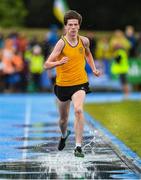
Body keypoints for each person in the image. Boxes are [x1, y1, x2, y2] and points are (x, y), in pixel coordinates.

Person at [44, 10, 101, 157]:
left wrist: (94, 69)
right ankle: (64, 135)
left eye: (76, 24)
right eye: (70, 25)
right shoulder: (61, 43)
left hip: (80, 83)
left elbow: (88, 53)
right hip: (62, 86)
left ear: (79, 26)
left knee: (78, 110)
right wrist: (59, 62)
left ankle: (78, 147)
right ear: (65, 27)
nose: (73, 28)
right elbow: (47, 64)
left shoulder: (84, 41)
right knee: (63, 120)